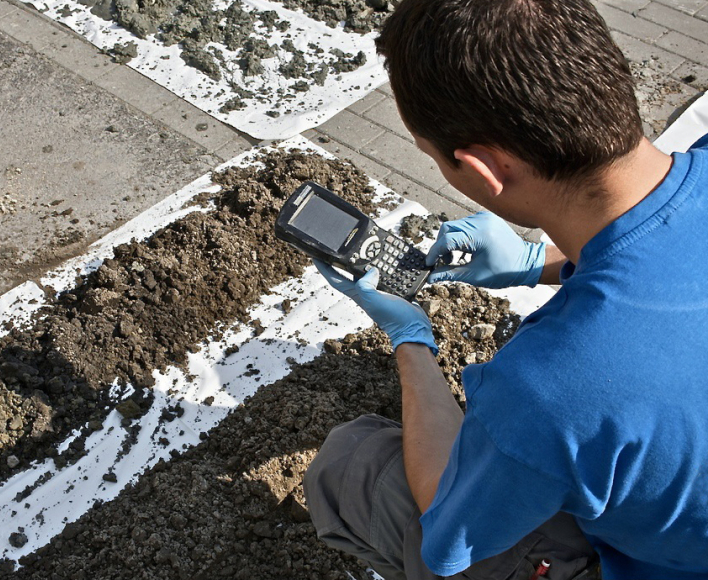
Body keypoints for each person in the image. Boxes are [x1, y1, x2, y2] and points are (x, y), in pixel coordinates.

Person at [302, 0, 708, 579]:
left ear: (484, 170)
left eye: (432, 155)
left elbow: (448, 521)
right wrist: (535, 263)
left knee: (353, 468)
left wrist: (409, 336)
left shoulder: (552, 387)